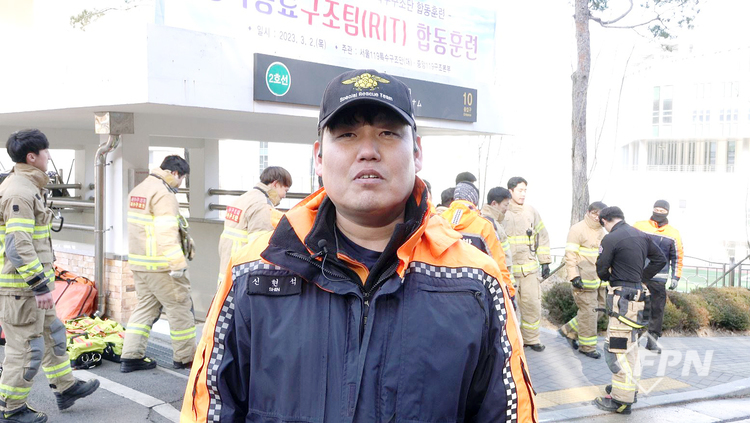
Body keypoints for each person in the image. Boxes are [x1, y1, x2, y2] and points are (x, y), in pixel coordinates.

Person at [182, 69, 537, 422]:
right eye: (347, 134)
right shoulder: (254, 271)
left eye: (387, 133)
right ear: (319, 157)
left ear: (417, 152)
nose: (368, 151)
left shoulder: (475, 281)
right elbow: (210, 409)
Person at [0, 130, 99, 423]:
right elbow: (18, 246)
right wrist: (39, 285)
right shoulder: (19, 191)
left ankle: (65, 387)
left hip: (31, 287)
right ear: (32, 157)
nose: (49, 156)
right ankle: (11, 409)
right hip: (22, 289)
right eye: (46, 152)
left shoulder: (29, 186)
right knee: (26, 350)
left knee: (52, 333)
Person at [121, 155, 197, 372]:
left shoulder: (139, 190)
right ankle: (185, 358)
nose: (180, 183)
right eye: (181, 178)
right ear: (175, 173)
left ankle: (131, 357)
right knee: (180, 308)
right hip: (161, 266)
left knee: (145, 308)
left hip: (140, 264)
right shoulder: (163, 194)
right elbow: (166, 231)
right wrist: (177, 264)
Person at [594, 206, 666, 414]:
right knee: (631, 347)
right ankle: (628, 389)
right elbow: (660, 259)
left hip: (622, 300)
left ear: (605, 220)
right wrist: (641, 277)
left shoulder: (611, 238)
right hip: (638, 298)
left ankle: (620, 401)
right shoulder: (641, 235)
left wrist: (612, 278)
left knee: (617, 350)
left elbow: (601, 269)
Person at [217, 166, 291, 284]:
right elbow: (259, 249)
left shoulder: (242, 199)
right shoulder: (262, 206)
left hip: (227, 271)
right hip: (242, 276)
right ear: (276, 184)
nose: (284, 196)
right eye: (285, 190)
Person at [502, 176, 551, 352]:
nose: (523, 194)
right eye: (520, 190)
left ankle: (531, 339)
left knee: (532, 305)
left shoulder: (531, 211)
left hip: (529, 271)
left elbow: (542, 236)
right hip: (508, 272)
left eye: (525, 191)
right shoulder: (503, 212)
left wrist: (545, 262)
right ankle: (512, 341)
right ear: (510, 191)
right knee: (509, 309)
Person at [441, 181, 515, 297]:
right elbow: (498, 264)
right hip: (474, 295)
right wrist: (510, 293)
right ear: (474, 200)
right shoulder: (483, 226)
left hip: (441, 291)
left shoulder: (438, 222)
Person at [558, 201, 608, 359]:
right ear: (588, 212)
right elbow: (570, 255)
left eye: (600, 215)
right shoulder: (577, 229)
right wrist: (574, 276)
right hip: (583, 281)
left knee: (599, 311)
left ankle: (568, 331)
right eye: (594, 213)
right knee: (590, 314)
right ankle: (587, 347)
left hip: (599, 281)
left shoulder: (603, 231)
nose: (596, 217)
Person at [633, 200, 683, 354]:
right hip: (639, 276)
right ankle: (634, 339)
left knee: (657, 310)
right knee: (637, 308)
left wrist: (676, 277)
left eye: (662, 210)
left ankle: (652, 341)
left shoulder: (673, 234)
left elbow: (677, 257)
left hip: (659, 279)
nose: (659, 212)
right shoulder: (639, 226)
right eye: (657, 209)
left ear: (667, 212)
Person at [481, 187, 515, 287]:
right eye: (505, 205)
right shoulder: (490, 223)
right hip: (498, 280)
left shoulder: (495, 222)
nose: (507, 208)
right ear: (494, 204)